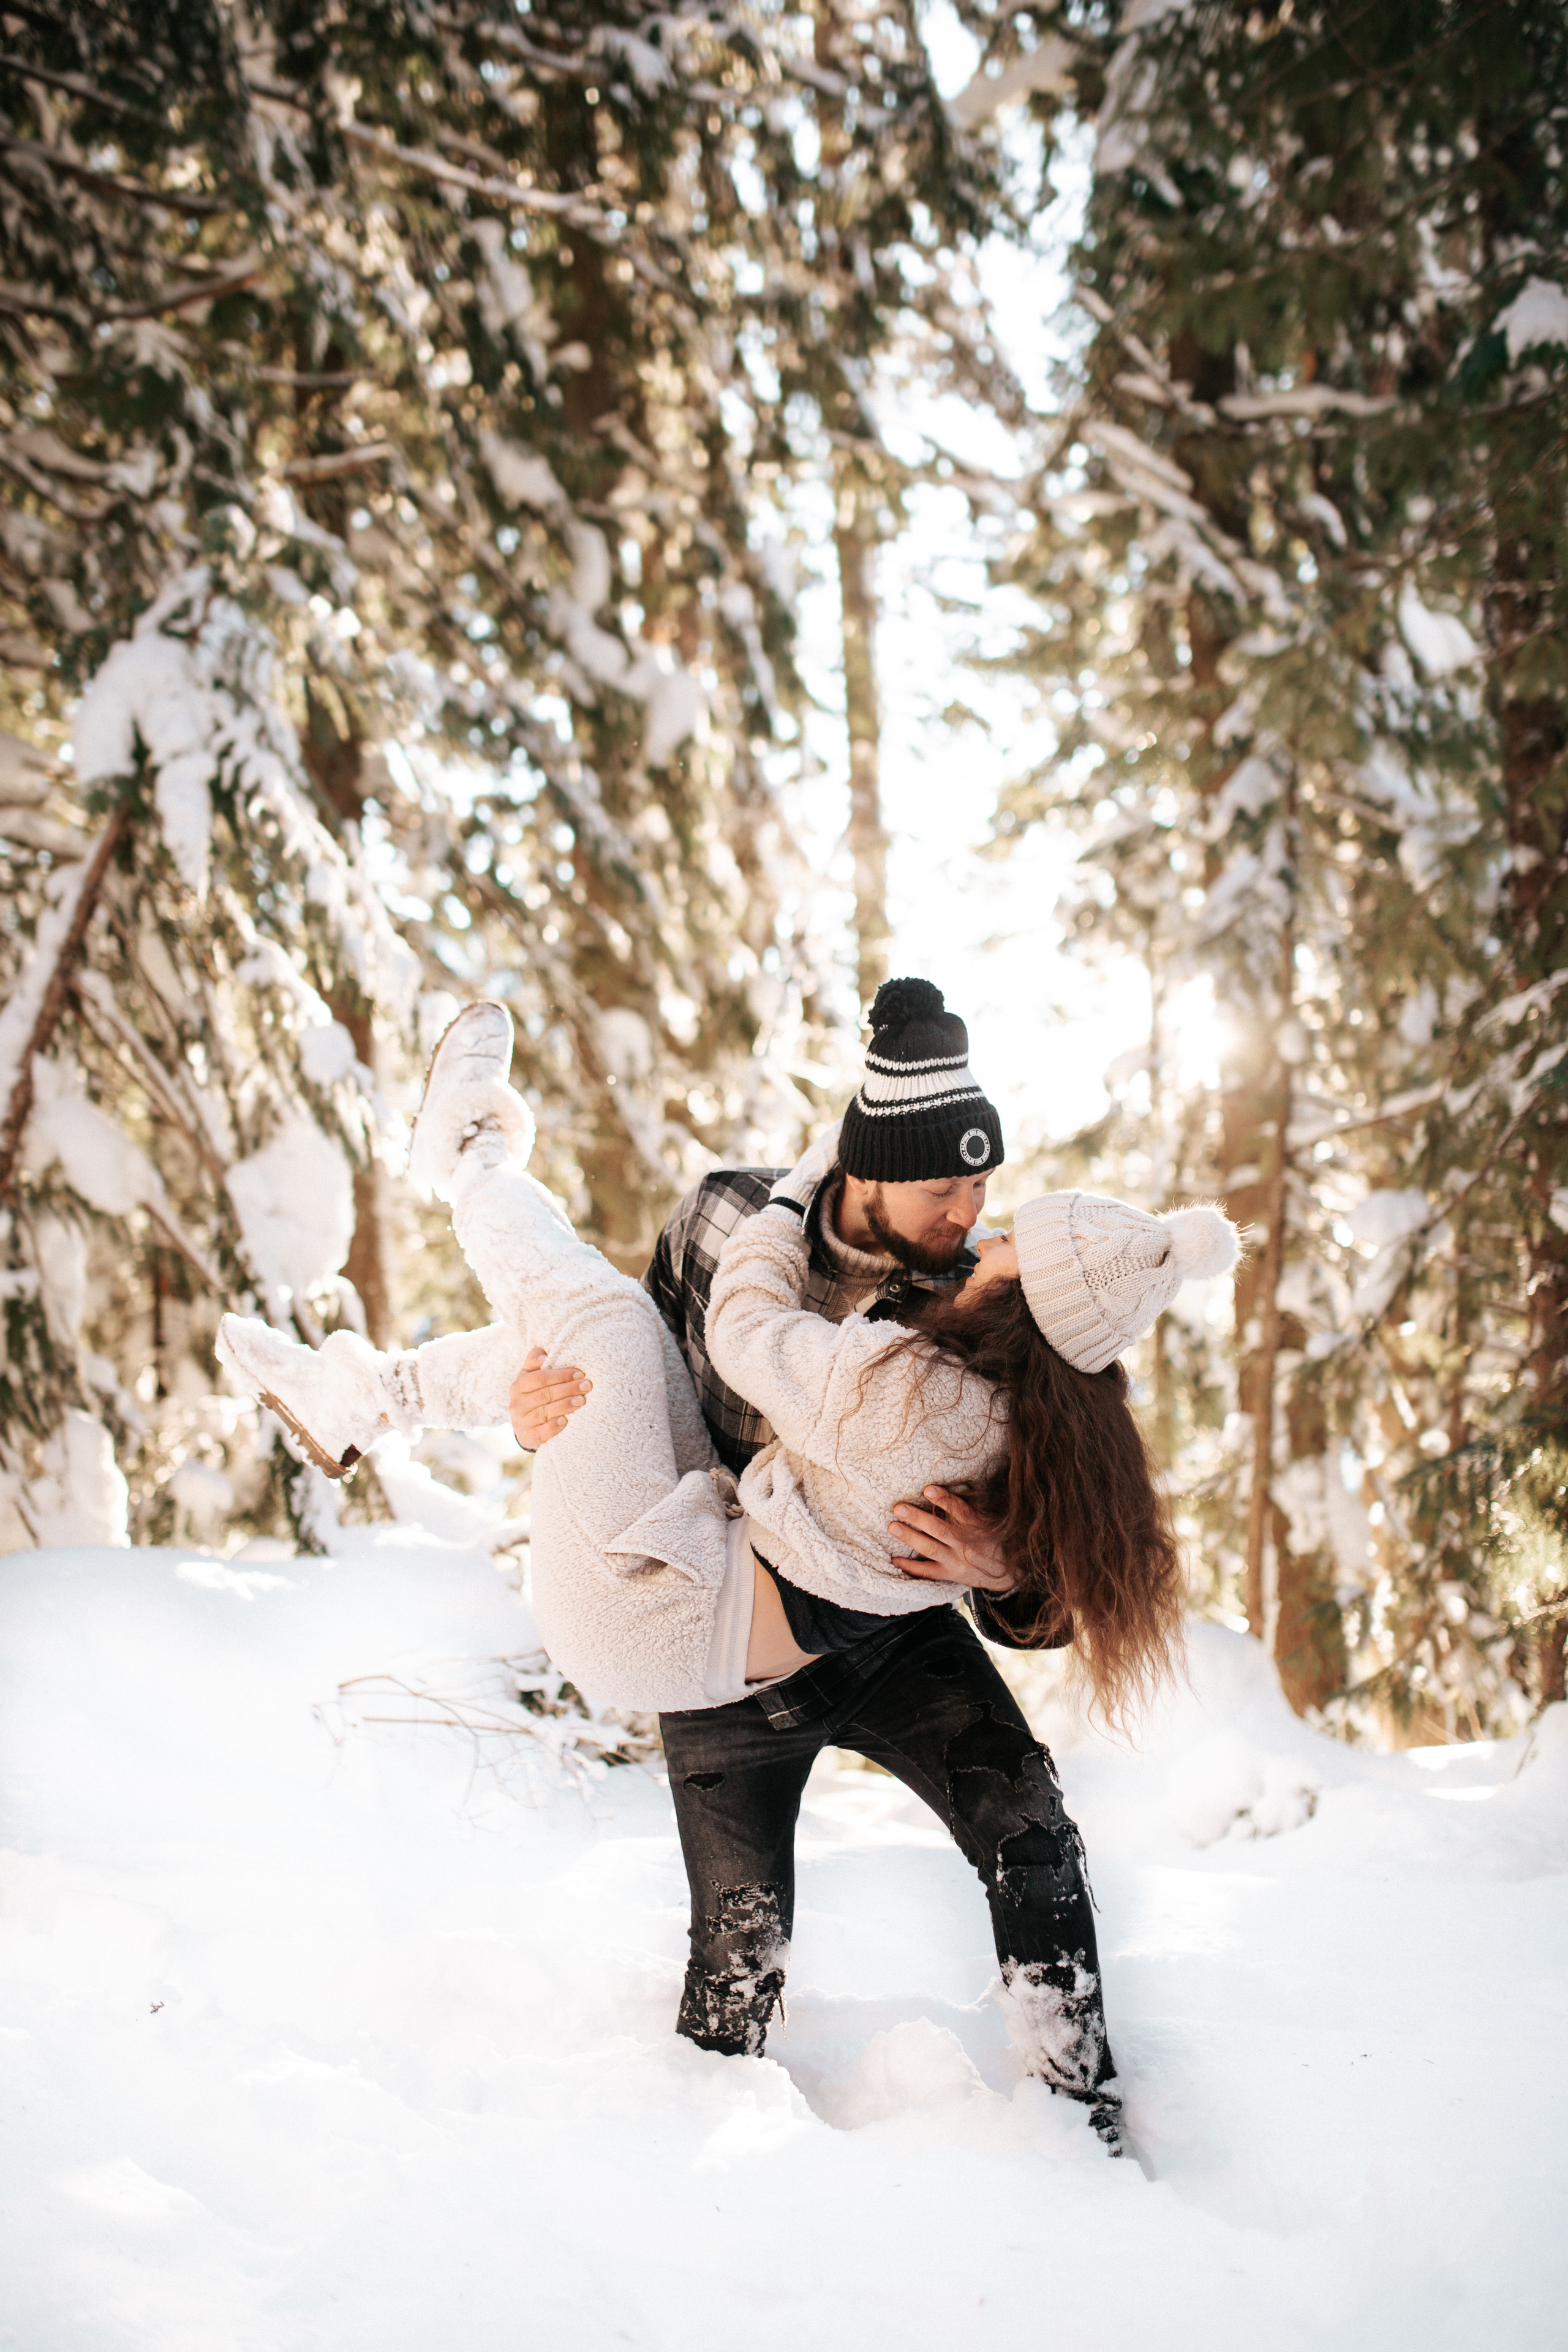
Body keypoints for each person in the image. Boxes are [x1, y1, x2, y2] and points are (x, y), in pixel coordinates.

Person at [217, 982, 1237, 2157]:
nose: (971, 1217)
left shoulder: (987, 1326)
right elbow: (626, 1369)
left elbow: (1062, 1573)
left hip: (874, 1631)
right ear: (869, 1168)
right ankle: (698, 2186)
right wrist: (538, 1412)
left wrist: (1002, 1560)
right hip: (710, 1575)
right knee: (736, 1962)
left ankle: (1081, 2111)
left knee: (1030, 1821)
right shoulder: (726, 1218)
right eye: (945, 1190)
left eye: (984, 1193)